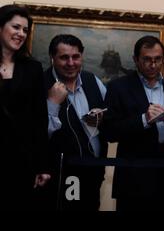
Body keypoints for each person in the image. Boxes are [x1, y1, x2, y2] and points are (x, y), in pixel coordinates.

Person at [102, 35, 164, 211]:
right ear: (135, 60)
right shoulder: (118, 87)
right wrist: (143, 120)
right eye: (147, 60)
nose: (153, 65)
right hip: (134, 179)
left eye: (158, 59)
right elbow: (109, 131)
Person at [43, 34, 107, 211]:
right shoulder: (40, 84)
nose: (71, 63)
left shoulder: (93, 81)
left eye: (76, 57)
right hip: (57, 175)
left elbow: (112, 118)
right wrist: (53, 104)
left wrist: (102, 117)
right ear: (52, 58)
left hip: (93, 172)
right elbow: (37, 135)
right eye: (64, 57)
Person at [0, 4, 51, 210]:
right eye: (16, 27)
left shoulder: (33, 69)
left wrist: (43, 165)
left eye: (25, 30)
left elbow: (39, 120)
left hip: (20, 162)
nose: (21, 34)